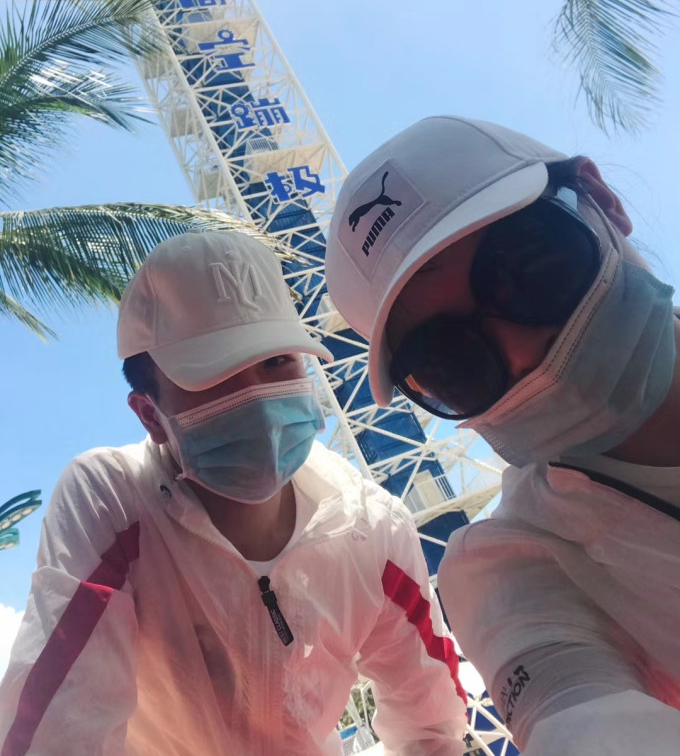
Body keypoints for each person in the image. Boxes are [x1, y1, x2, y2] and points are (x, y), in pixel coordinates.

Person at [0, 230, 468, 756]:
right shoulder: (113, 500)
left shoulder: (373, 530)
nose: (258, 398)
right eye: (214, 376)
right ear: (150, 415)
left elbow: (433, 727)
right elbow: (57, 727)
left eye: (276, 361)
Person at [325, 116, 680, 755]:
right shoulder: (513, 567)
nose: (523, 355)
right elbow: (579, 720)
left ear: (602, 200)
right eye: (451, 361)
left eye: (531, 270)